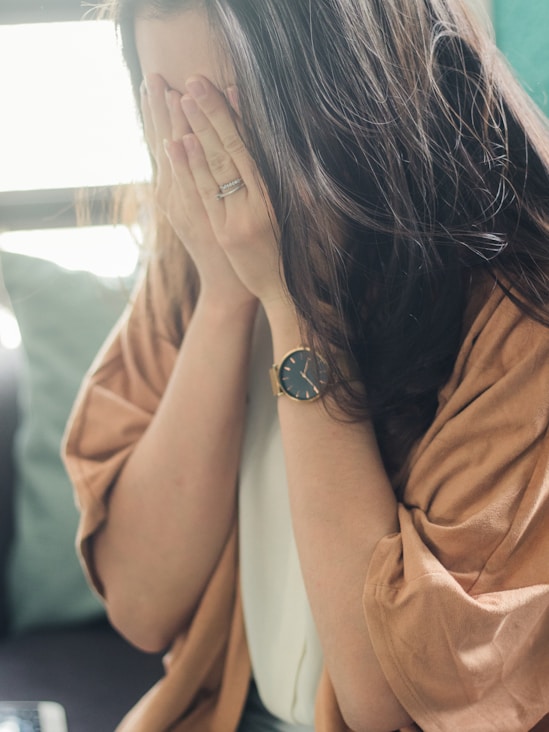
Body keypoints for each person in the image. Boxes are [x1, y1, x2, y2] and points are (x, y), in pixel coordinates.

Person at [62, 0, 549, 730]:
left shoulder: (514, 310)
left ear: (344, 95)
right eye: (172, 125)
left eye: (224, 118)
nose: (202, 160)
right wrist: (225, 298)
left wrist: (296, 305)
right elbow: (140, 603)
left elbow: (391, 704)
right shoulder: (193, 254)